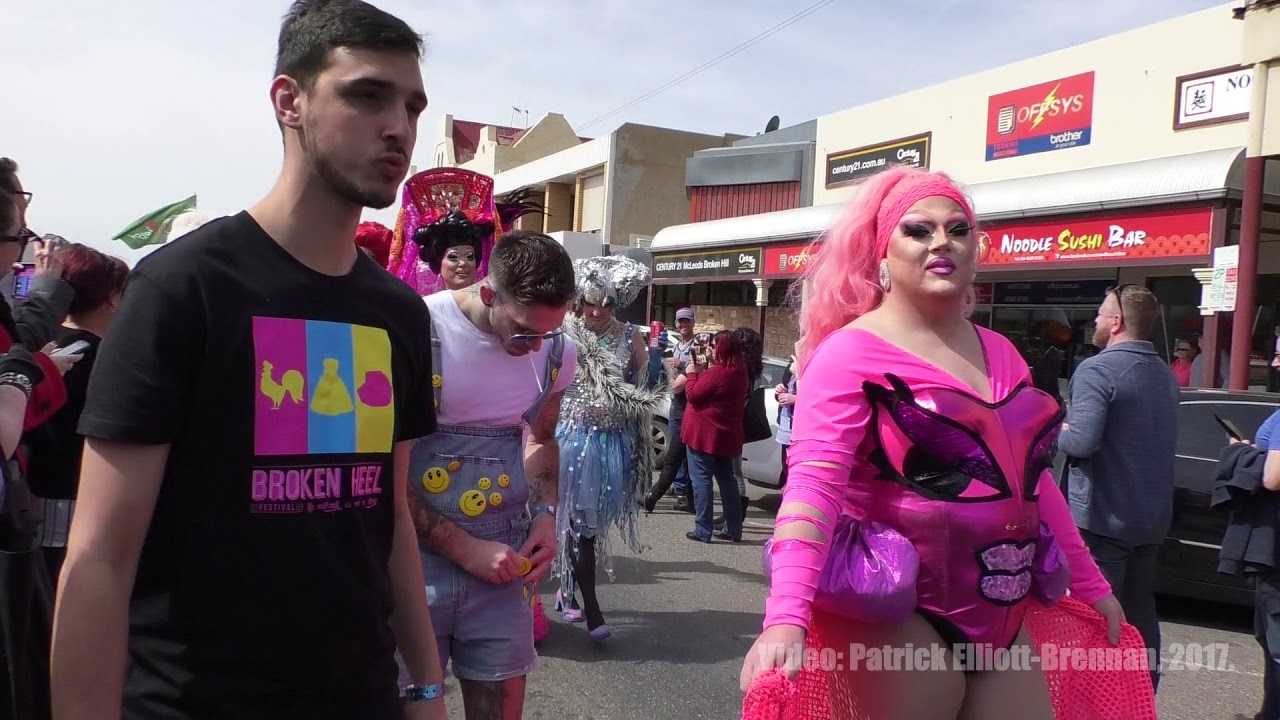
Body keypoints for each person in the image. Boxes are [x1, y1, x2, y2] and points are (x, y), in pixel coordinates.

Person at [51, 2, 446, 718]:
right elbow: (98, 559)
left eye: (412, 106)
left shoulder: (398, 314)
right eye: (367, 94)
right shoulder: (183, 288)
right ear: (288, 101)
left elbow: (386, 516)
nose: (400, 127)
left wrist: (423, 683)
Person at [740, 166, 1130, 720]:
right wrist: (785, 617)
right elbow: (812, 489)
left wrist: (1091, 584)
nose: (941, 242)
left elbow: (1034, 483)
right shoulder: (851, 354)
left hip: (1003, 610)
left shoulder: (1003, 353)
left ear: (976, 250)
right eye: (918, 230)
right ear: (881, 255)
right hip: (895, 611)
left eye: (959, 229)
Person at [398, 229, 575, 718]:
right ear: (489, 294)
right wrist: (465, 548)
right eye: (523, 331)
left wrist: (544, 515)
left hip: (503, 564)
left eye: (548, 332)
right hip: (411, 563)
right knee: (413, 705)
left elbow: (540, 438)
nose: (534, 346)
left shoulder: (558, 353)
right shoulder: (417, 328)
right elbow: (380, 468)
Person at [1058, 283, 1179, 691]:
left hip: (1101, 516)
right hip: (1150, 520)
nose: (1094, 319)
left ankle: (1096, 699)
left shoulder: (1098, 369)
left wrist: (1057, 427)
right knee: (1141, 612)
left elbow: (1081, 442)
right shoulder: (1164, 375)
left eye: (1100, 312)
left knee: (1093, 617)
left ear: (1117, 322)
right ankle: (1143, 691)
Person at [553, 255, 665, 639]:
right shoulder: (563, 332)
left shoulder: (630, 336)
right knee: (577, 524)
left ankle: (568, 587)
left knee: (590, 524)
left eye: (606, 303)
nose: (597, 310)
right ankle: (592, 607)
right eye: (591, 301)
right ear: (580, 299)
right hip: (571, 440)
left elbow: (641, 386)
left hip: (611, 445)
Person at [387, 167, 541, 295]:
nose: (463, 263)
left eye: (470, 256)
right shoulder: (425, 308)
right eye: (453, 257)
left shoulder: (490, 309)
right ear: (438, 262)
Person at [683, 329, 749, 544]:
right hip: (726, 434)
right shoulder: (740, 371)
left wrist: (692, 373)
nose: (710, 349)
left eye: (713, 346)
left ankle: (703, 529)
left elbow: (693, 395)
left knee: (701, 480)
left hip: (704, 433)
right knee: (727, 480)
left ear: (721, 349)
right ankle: (734, 528)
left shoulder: (719, 372)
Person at [644, 307, 697, 513]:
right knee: (677, 449)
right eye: (680, 322)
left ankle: (682, 491)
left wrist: (682, 364)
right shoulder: (677, 345)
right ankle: (678, 486)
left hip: (687, 402)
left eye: (687, 321)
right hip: (675, 402)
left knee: (680, 452)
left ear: (693, 322)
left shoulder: (696, 344)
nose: (683, 325)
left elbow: (700, 365)